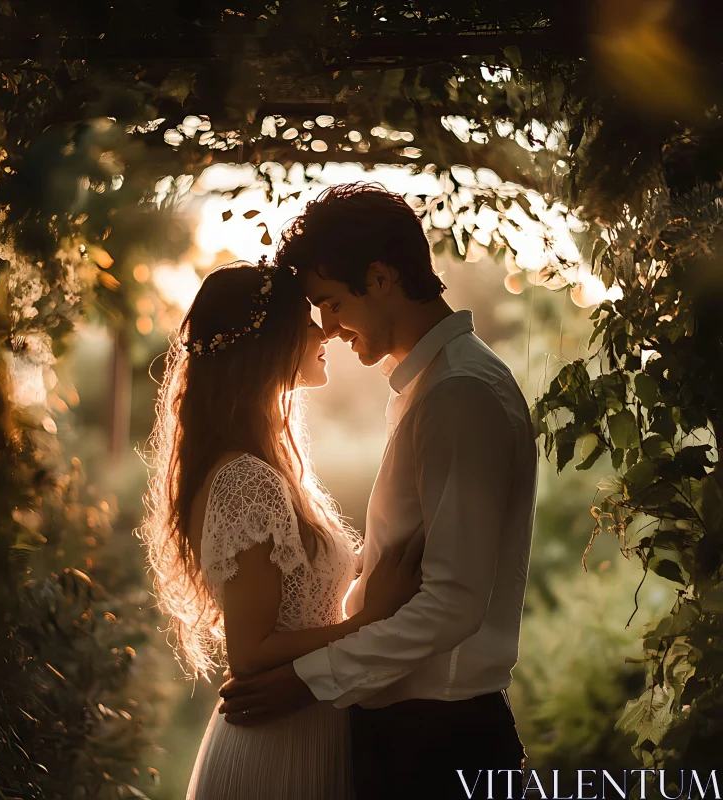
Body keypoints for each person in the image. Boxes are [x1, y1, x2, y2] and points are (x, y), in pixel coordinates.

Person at [219, 184, 538, 800]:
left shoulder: (459, 396)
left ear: (382, 276)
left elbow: (453, 603)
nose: (329, 329)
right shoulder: (429, 390)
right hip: (413, 730)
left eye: (332, 304)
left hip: (437, 740)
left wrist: (306, 679)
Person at [141, 258, 423, 800]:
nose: (324, 331)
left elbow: (298, 596)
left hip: (303, 730)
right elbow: (250, 651)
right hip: (277, 750)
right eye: (305, 320)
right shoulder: (246, 479)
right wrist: (371, 618)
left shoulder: (265, 466)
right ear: (266, 341)